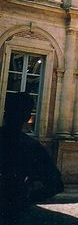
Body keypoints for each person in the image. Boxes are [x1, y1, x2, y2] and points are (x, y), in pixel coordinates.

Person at [0, 91, 64, 224]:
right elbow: (56, 184)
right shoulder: (30, 146)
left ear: (5, 112)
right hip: (12, 213)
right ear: (27, 116)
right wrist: (24, 199)